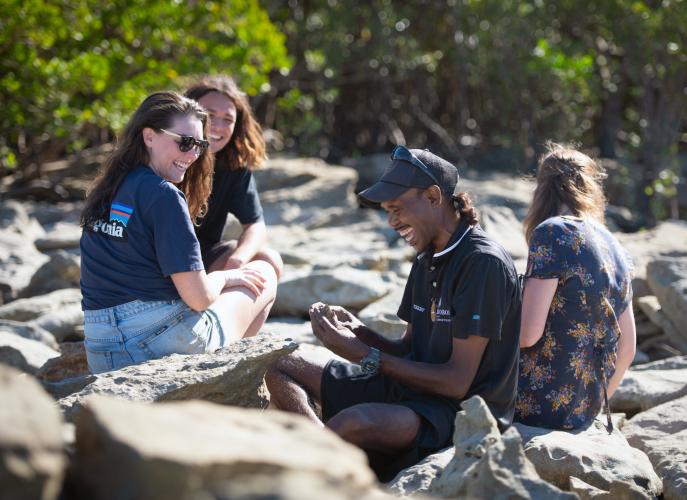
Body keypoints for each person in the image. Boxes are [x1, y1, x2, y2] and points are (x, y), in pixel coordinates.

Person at [265, 146, 522, 480]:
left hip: (456, 412)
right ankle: (323, 452)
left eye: (397, 208)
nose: (391, 221)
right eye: (386, 211)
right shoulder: (428, 256)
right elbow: (408, 351)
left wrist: (367, 356)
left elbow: (457, 382)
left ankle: (308, 469)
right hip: (410, 390)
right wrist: (358, 332)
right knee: (278, 363)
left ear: (433, 197)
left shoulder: (482, 264)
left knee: (354, 422)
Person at [79, 91, 277, 374]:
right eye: (185, 142)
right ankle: (234, 377)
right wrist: (225, 276)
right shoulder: (164, 195)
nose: (194, 155)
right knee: (264, 274)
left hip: (99, 346)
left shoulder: (108, 187)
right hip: (158, 343)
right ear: (149, 136)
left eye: (199, 144)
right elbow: (199, 299)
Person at [515, 142, 636, 432]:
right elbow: (628, 347)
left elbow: (527, 335)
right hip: (583, 410)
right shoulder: (615, 245)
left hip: (535, 405)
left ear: (543, 188)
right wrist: (593, 406)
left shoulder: (552, 232)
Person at [184, 75, 282, 277]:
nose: (218, 126)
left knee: (267, 260)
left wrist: (237, 261)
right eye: (209, 115)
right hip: (150, 261)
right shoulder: (161, 155)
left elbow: (256, 225)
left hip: (201, 257)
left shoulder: (232, 166)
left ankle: (213, 310)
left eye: (228, 119)